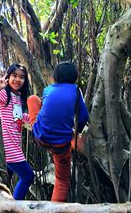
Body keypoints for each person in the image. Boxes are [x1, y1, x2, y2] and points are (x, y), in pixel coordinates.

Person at [27, 61, 89, 202]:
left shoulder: (48, 89)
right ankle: (55, 208)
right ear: (75, 78)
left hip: (40, 137)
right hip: (61, 146)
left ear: (55, 77)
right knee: (62, 181)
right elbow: (84, 116)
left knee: (32, 99)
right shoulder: (76, 90)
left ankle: (42, 131)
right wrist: (75, 132)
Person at [0, 63, 34, 200]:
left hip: (15, 144)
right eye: (14, 76)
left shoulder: (18, 97)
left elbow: (19, 117)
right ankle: (16, 205)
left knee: (5, 179)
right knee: (28, 175)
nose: (18, 79)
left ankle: (1, 205)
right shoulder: (5, 93)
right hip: (8, 144)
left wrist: (35, 119)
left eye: (21, 77)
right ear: (8, 77)